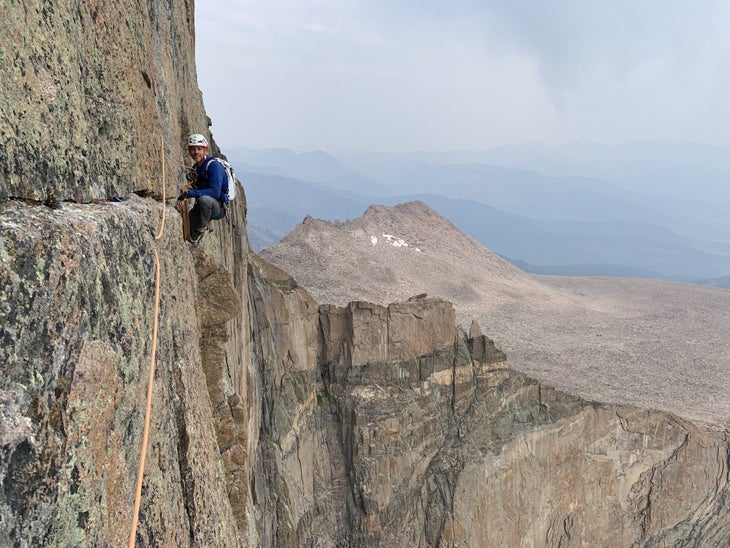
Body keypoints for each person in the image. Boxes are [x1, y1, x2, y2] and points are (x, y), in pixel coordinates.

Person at [178, 134, 226, 243]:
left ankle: (201, 230)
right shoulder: (196, 168)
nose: (196, 152)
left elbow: (215, 192)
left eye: (199, 149)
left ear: (205, 150)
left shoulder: (214, 166)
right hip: (201, 207)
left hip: (217, 208)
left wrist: (189, 194)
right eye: (193, 149)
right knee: (185, 229)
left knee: (204, 199)